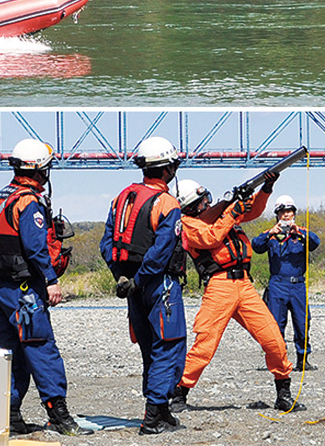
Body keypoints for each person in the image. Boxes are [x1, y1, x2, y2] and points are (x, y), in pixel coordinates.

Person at [170, 172, 297, 413]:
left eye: (207, 199)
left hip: (245, 285)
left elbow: (254, 210)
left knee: (274, 340)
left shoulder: (221, 215)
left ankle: (283, 393)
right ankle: (179, 394)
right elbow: (210, 237)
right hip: (219, 286)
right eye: (202, 201)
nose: (207, 203)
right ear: (191, 206)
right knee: (205, 345)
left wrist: (265, 188)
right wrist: (232, 211)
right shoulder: (187, 225)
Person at [0, 139, 81, 436]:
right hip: (25, 292)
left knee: (9, 353)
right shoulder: (28, 202)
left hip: (0, 289)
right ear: (40, 170)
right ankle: (59, 415)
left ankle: (9, 416)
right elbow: (36, 247)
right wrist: (51, 280)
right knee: (40, 347)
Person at [100, 136, 187, 435]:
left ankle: (161, 412)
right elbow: (161, 252)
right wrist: (140, 280)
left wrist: (122, 277)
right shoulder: (167, 203)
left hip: (132, 286)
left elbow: (107, 243)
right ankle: (153, 418)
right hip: (159, 285)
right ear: (167, 169)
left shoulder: (121, 198)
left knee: (149, 348)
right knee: (169, 346)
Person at [252, 194, 320, 370]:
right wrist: (269, 233)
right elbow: (256, 246)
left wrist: (300, 232)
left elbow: (315, 243)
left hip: (298, 285)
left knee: (302, 323)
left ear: (294, 213)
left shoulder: (301, 233)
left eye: (289, 211)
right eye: (282, 212)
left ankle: (303, 360)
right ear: (277, 215)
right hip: (277, 285)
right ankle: (279, 360)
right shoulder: (271, 235)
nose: (286, 215)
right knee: (276, 325)